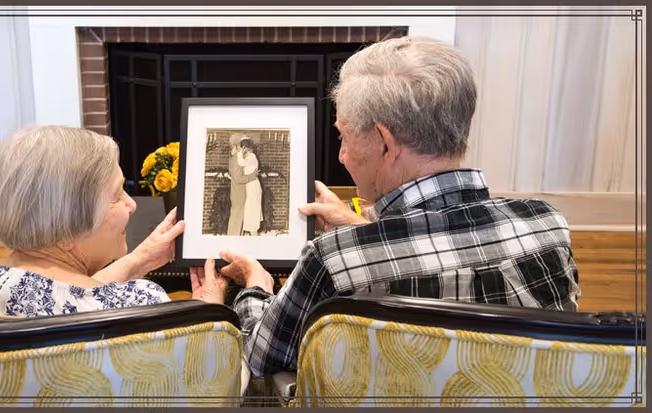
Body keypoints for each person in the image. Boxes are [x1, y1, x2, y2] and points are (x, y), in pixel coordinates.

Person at [214, 36, 582, 376]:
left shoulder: (333, 260)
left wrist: (256, 287)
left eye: (343, 136)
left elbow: (261, 357)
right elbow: (447, 250)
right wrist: (361, 224)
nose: (341, 155)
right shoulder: (548, 224)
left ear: (385, 143)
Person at [0, 126, 226, 319]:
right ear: (68, 225)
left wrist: (141, 259)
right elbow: (208, 376)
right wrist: (210, 314)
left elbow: (58, 295)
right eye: (117, 195)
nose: (132, 204)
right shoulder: (140, 308)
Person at [226, 134, 258, 235]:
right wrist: (252, 177)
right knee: (238, 216)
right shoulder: (236, 158)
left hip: (239, 191)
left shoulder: (234, 158)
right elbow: (238, 178)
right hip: (239, 191)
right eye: (240, 147)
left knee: (239, 215)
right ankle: (234, 237)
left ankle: (237, 236)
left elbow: (235, 173)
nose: (242, 149)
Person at [236, 139, 263, 236]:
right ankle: (250, 234)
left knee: (252, 209)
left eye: (243, 147)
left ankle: (254, 235)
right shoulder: (247, 157)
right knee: (249, 209)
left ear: (246, 147)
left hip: (252, 186)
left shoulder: (252, 156)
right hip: (249, 184)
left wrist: (239, 153)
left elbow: (241, 163)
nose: (242, 149)